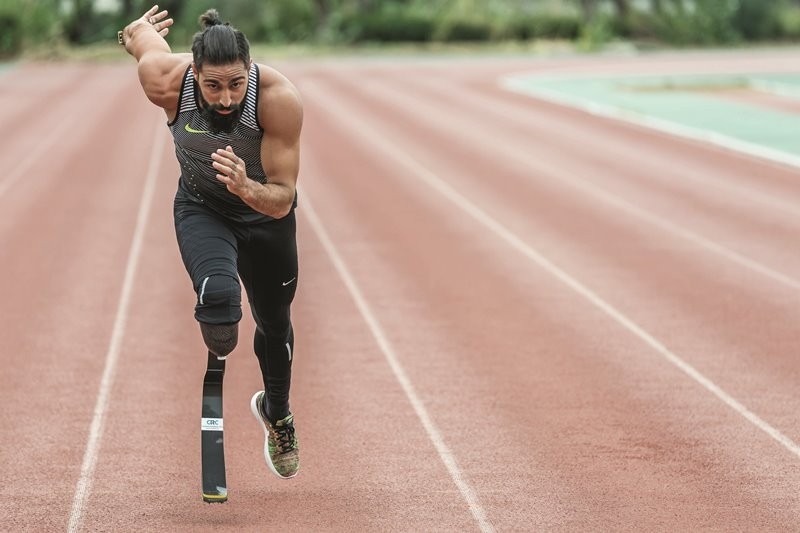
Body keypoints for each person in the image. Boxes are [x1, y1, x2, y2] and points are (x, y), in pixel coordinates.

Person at [119, 5, 303, 479]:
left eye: (237, 84)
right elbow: (143, 42)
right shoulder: (164, 81)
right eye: (213, 85)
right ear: (193, 73)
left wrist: (246, 187)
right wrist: (137, 30)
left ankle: (277, 411)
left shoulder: (278, 99)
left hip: (264, 215)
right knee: (220, 305)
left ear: (250, 71)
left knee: (275, 323)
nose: (226, 99)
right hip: (203, 208)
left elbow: (282, 199)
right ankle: (219, 327)